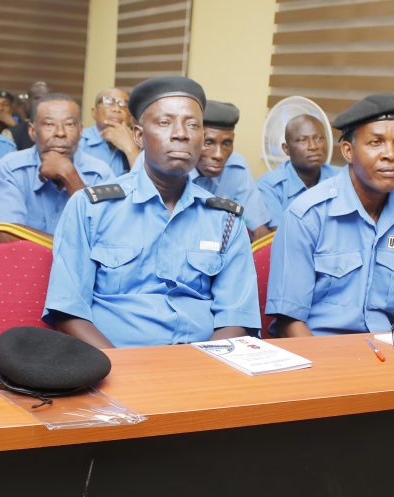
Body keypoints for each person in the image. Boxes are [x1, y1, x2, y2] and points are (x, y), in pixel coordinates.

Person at [43, 76, 260, 348]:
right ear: (138, 136)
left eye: (192, 125)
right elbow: (68, 310)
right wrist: (121, 365)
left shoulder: (225, 218)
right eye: (165, 122)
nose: (181, 134)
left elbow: (237, 316)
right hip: (113, 360)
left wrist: (203, 365)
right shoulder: (92, 208)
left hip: (202, 362)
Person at [265, 93, 394, 336]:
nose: (391, 154)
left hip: (388, 347)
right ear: (348, 151)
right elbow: (289, 321)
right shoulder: (307, 214)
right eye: (376, 142)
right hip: (315, 347)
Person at [0, 93, 113, 237]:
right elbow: (10, 237)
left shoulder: (100, 173)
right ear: (32, 132)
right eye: (49, 124)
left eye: (69, 124)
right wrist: (75, 245)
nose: (60, 133)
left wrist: (70, 175)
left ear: (81, 131)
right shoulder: (11, 168)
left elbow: (106, 237)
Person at [192, 100, 272, 239]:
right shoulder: (171, 169)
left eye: (226, 143)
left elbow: (259, 228)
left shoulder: (236, 167)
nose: (218, 155)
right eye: (208, 143)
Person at [257, 114, 339, 229]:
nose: (313, 146)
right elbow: (281, 234)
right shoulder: (270, 186)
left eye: (319, 138)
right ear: (286, 148)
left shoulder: (341, 178)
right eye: (302, 140)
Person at [79, 87, 139, 176]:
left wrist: (130, 149)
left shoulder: (139, 142)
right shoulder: (78, 140)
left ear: (129, 116)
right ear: (94, 112)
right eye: (108, 101)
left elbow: (145, 181)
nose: (116, 109)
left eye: (123, 104)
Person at [10, 81, 50, 150]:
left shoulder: (61, 132)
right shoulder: (14, 133)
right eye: (38, 98)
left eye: (49, 99)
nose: (44, 102)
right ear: (28, 102)